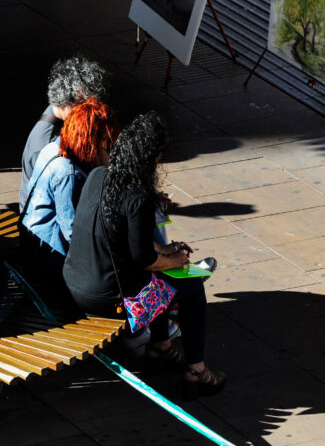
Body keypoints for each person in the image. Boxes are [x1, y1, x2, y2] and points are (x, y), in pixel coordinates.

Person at [64, 112, 225, 398]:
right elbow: (143, 260)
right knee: (191, 286)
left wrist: (165, 250)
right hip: (111, 302)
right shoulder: (137, 197)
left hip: (76, 285)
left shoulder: (98, 176)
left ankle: (160, 347)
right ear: (151, 159)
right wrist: (175, 259)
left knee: (163, 278)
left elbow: (122, 239)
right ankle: (196, 369)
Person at [21, 99, 119, 264]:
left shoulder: (57, 145)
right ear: (91, 141)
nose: (109, 148)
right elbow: (75, 233)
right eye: (105, 144)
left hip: (39, 243)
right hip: (49, 255)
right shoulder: (67, 174)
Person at [21, 55, 108, 205]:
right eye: (84, 105)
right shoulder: (44, 144)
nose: (90, 111)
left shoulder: (60, 117)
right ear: (67, 103)